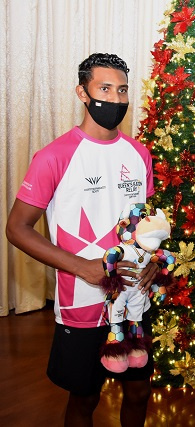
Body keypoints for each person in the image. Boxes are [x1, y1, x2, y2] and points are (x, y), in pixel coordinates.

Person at [5, 53, 158, 427]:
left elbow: (146, 224)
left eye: (122, 90)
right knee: (85, 397)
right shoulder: (54, 156)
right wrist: (84, 268)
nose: (116, 99)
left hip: (134, 300)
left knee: (138, 392)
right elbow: (17, 228)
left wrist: (152, 261)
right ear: (82, 92)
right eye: (104, 88)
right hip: (82, 302)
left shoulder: (139, 154)